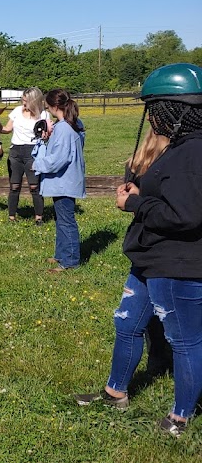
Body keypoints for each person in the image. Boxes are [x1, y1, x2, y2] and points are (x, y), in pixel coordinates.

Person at [75, 63, 202, 436]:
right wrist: (141, 192)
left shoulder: (192, 154)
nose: (152, 118)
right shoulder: (178, 149)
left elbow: (186, 215)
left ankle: (180, 417)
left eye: (155, 109)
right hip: (150, 257)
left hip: (177, 263)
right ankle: (116, 393)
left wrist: (135, 205)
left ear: (175, 109)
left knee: (184, 340)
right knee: (127, 323)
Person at [32, 88, 85, 272]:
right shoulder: (73, 124)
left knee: (66, 221)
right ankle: (61, 254)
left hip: (63, 182)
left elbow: (58, 160)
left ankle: (70, 261)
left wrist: (37, 164)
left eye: (48, 107)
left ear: (55, 107)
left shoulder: (63, 128)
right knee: (61, 219)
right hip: (65, 181)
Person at [0, 87, 52, 224]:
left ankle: (39, 217)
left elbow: (47, 136)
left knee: (34, 187)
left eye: (26, 101)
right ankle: (11, 216)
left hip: (33, 153)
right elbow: (7, 129)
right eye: (23, 100)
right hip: (15, 152)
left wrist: (46, 137)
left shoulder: (44, 115)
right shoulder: (17, 111)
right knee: (14, 186)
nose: (23, 103)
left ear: (34, 101)